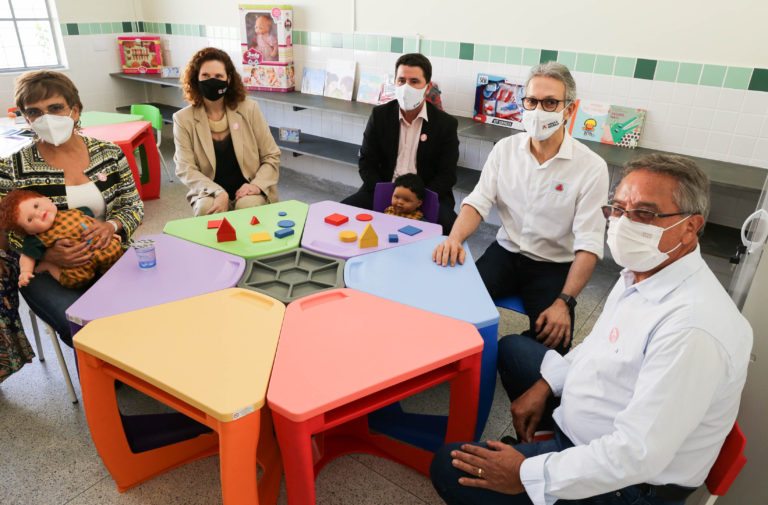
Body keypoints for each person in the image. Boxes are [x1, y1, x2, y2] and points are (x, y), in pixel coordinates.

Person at [429, 153, 753, 505]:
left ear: (691, 227)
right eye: (617, 209)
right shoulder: (641, 272)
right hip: (595, 424)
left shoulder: (693, 327)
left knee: (449, 467)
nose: (625, 223)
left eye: (644, 213)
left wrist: (524, 475)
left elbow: (637, 454)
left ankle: (547, 460)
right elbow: (597, 345)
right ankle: (548, 438)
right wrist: (544, 386)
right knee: (514, 350)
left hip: (628, 485)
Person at [433, 62, 609, 356]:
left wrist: (565, 302)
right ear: (523, 103)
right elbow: (478, 202)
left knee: (554, 345)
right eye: (531, 101)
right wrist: (454, 239)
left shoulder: (591, 167)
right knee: (455, 310)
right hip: (505, 252)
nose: (538, 110)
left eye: (550, 102)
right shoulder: (505, 149)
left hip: (553, 265)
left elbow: (588, 245)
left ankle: (509, 354)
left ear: (569, 110)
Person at [0, 70, 144, 348]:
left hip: (111, 254)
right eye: (35, 112)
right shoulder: (12, 169)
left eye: (55, 108)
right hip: (48, 271)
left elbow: (133, 205)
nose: (46, 119)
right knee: (80, 325)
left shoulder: (109, 153)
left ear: (75, 110)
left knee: (153, 305)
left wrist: (111, 226)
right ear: (26, 118)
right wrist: (47, 254)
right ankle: (104, 379)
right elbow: (5, 231)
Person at [341, 53, 459, 235]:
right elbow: (366, 163)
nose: (406, 87)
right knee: (342, 214)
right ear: (395, 83)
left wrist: (416, 199)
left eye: (414, 81)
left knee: (451, 228)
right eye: (401, 80)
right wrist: (388, 195)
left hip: (427, 195)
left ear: (427, 88)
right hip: (382, 189)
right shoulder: (380, 116)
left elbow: (447, 174)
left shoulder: (445, 124)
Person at [174, 47, 280, 217]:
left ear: (228, 79)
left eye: (218, 76)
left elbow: (271, 155)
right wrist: (218, 192)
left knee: (248, 208)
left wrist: (256, 185)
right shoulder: (183, 119)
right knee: (205, 210)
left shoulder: (249, 109)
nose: (212, 81)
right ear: (196, 79)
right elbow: (185, 168)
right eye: (205, 76)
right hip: (210, 191)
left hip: (248, 186)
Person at [0, 189, 122, 289]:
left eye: (36, 206)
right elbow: (27, 256)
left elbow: (94, 225)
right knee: (76, 280)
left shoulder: (76, 212)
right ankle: (49, 267)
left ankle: (112, 279)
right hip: (78, 265)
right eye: (30, 219)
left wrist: (106, 233)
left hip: (99, 247)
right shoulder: (36, 238)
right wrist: (25, 272)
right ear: (29, 232)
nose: (38, 213)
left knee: (115, 251)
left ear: (46, 199)